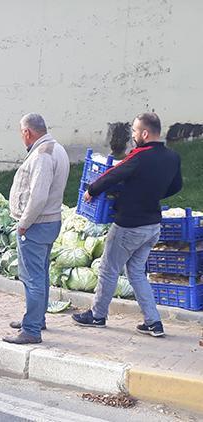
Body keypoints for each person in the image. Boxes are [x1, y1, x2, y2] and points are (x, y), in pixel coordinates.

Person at [73, 112, 182, 337]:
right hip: (152, 226)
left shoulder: (139, 156)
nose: (132, 135)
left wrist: (91, 190)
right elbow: (176, 186)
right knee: (136, 273)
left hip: (129, 226)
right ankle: (154, 322)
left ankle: (97, 315)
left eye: (134, 131)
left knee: (108, 269)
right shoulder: (172, 157)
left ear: (144, 133)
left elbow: (113, 174)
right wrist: (153, 193)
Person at [4, 113, 69, 345]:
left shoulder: (42, 155)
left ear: (27, 132)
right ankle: (36, 318)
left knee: (31, 277)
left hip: (37, 224)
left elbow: (38, 197)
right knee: (40, 274)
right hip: (50, 221)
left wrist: (23, 224)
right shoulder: (57, 148)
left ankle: (31, 329)